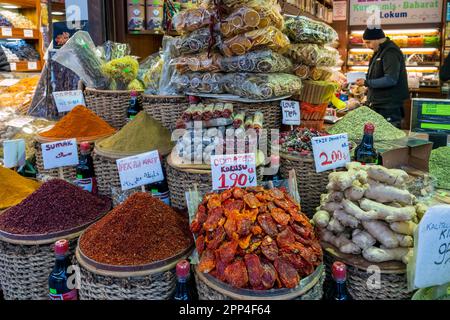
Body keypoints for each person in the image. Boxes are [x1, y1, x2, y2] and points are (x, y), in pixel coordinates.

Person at [356, 27, 409, 128]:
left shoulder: (390, 52)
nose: (367, 46)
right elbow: (377, 74)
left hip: (388, 107)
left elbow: (390, 79)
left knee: (389, 140)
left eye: (368, 42)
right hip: (380, 104)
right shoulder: (380, 51)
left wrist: (367, 82)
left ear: (377, 39)